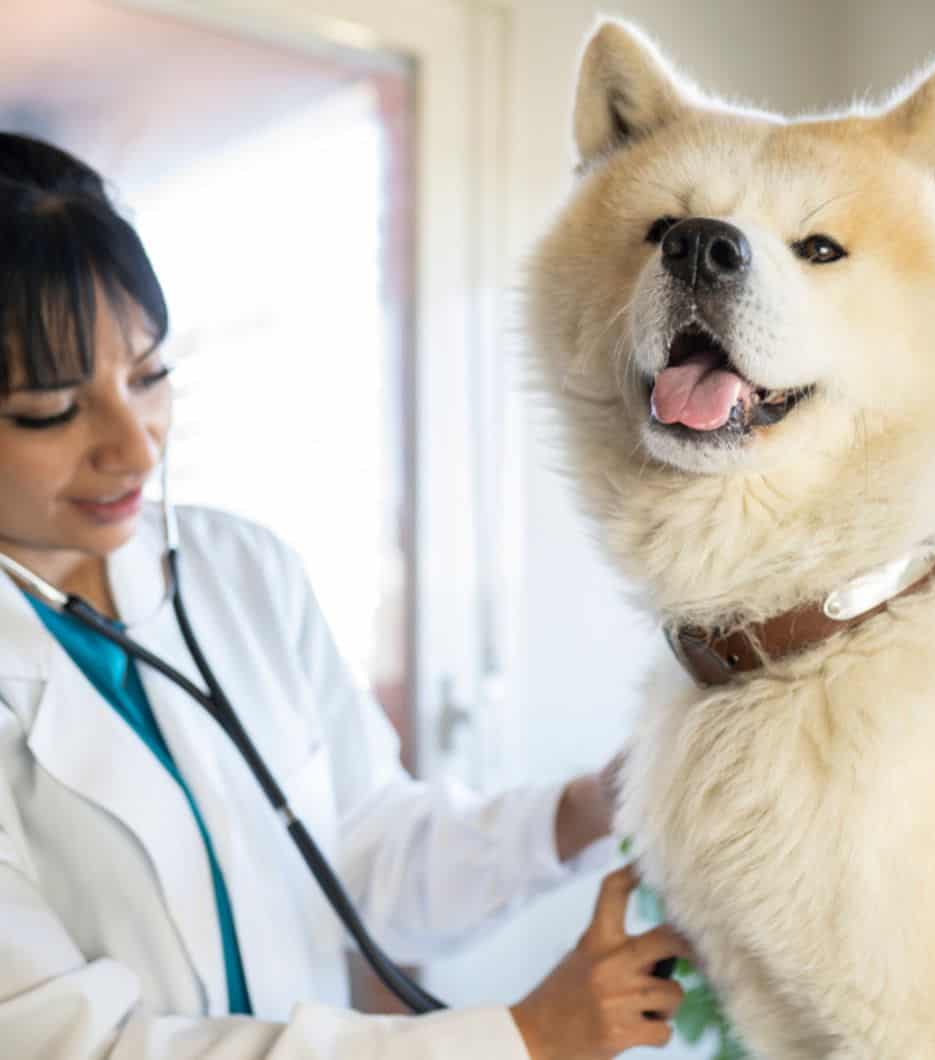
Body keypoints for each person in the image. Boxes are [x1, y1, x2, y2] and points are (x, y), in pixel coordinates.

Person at [0, 132, 688, 1058]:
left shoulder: (238, 571)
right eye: (51, 410)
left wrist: (590, 807)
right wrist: (519, 1038)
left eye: (150, 375)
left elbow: (359, 855)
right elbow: (62, 1042)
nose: (135, 446)